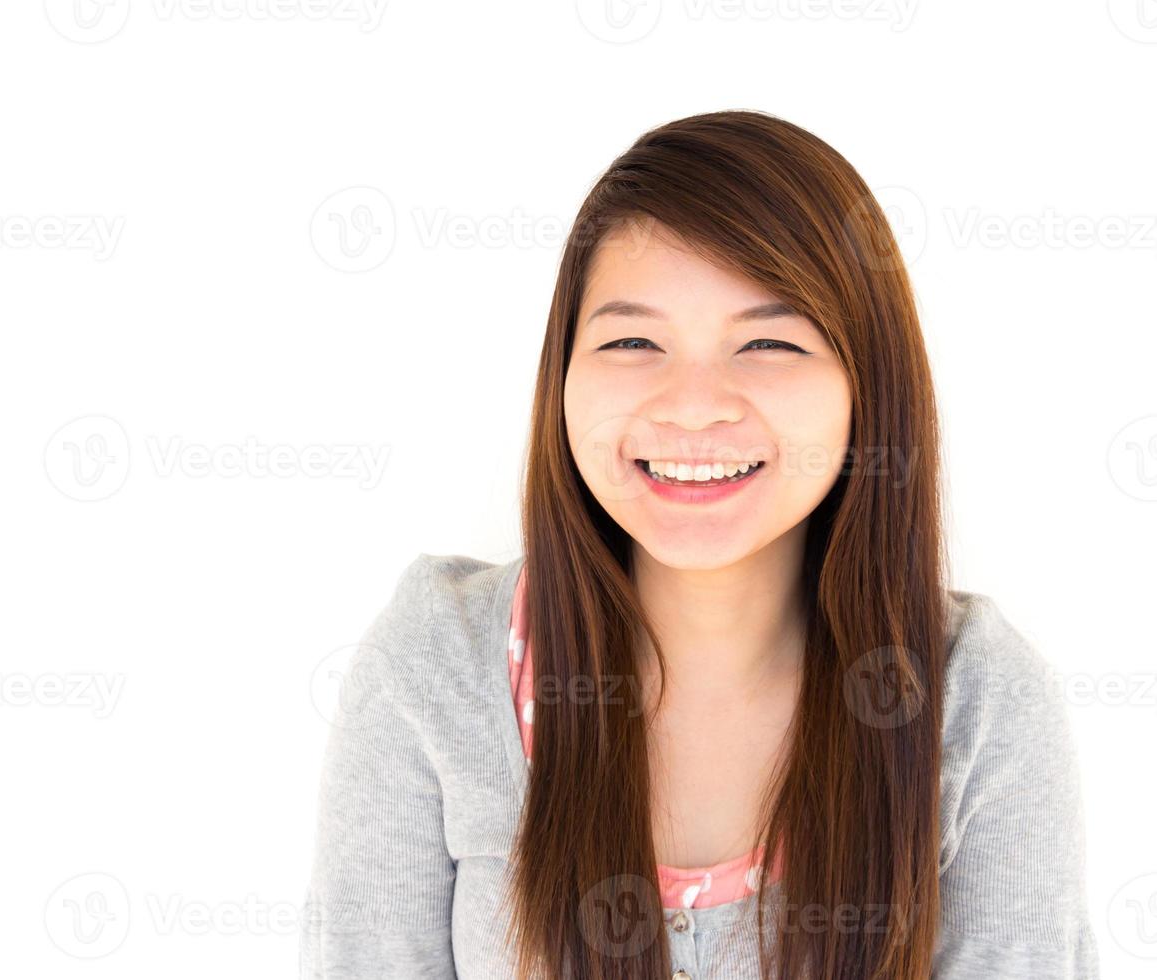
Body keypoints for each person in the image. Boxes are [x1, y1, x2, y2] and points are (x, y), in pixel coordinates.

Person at [301, 110, 1099, 979]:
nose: (693, 404)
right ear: (563, 375)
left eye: (767, 342)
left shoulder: (975, 701)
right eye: (633, 341)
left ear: (867, 384)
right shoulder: (436, 666)